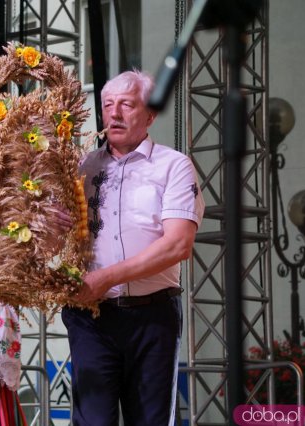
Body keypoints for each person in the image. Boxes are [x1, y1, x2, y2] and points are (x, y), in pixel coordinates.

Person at [62, 70, 205, 425]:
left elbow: (177, 245)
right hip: (91, 317)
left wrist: (106, 277)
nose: (114, 114)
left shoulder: (173, 166)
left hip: (152, 317)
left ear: (150, 115)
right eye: (108, 105)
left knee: (151, 420)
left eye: (126, 105)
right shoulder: (81, 167)